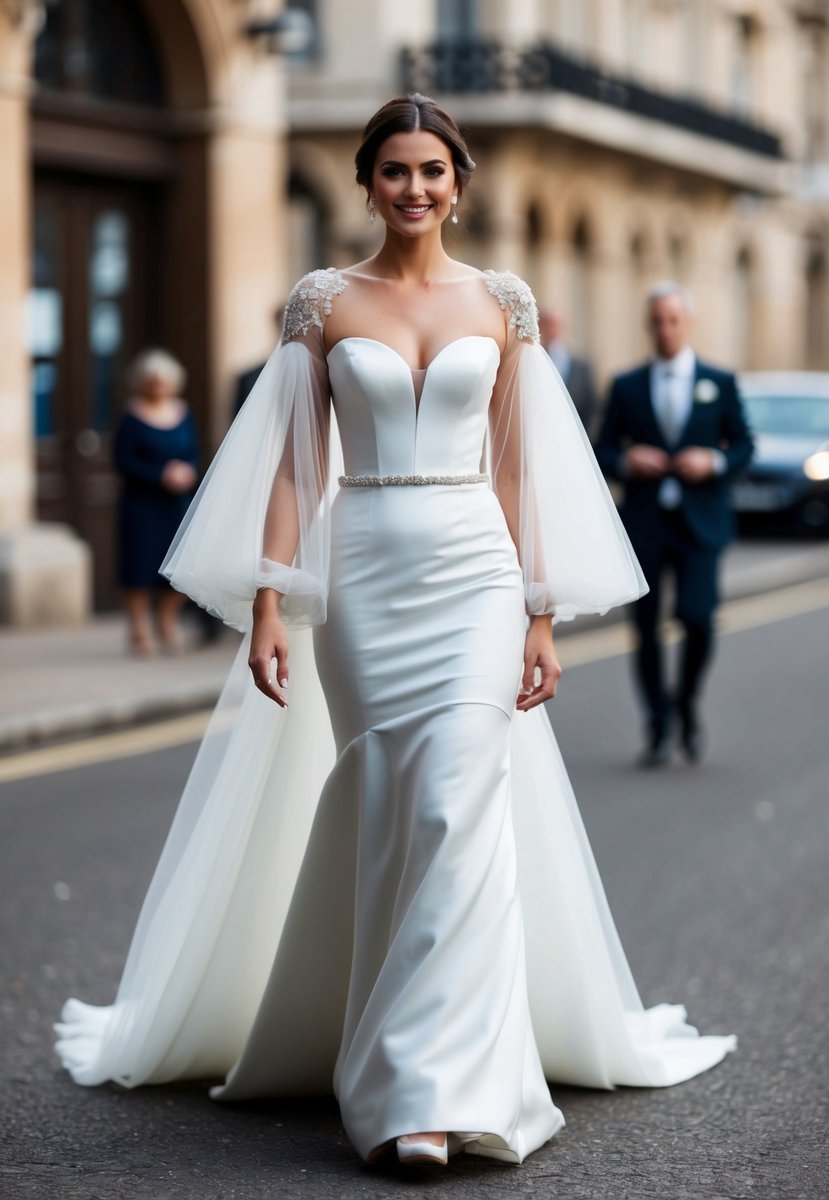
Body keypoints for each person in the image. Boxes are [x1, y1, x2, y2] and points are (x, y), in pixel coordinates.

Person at [55, 97, 735, 1169]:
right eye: (393, 171)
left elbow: (515, 467)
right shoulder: (321, 302)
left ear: (457, 184)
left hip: (475, 571)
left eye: (432, 170)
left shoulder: (502, 302)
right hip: (364, 568)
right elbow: (289, 464)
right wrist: (269, 603)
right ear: (367, 184)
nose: (413, 188)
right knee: (393, 801)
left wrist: (541, 615)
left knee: (461, 800)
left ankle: (431, 1088)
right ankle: (387, 1055)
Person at [593, 283, 754, 766]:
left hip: (700, 523)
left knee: (698, 619)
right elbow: (600, 450)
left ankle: (685, 703)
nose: (665, 329)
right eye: (657, 321)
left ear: (688, 323)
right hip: (643, 524)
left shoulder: (719, 382)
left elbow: (744, 446)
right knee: (645, 628)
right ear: (650, 325)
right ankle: (658, 724)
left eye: (673, 320)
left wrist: (713, 461)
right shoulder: (626, 385)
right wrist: (627, 459)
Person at [113, 350, 199, 656]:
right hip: (141, 504)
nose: (157, 387)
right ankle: (138, 629)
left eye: (162, 382)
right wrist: (160, 474)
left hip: (175, 504)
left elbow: (192, 451)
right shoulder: (132, 415)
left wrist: (187, 471)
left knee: (177, 567)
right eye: (152, 382)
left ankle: (166, 621)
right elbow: (122, 461)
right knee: (140, 566)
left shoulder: (183, 412)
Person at [539, 306, 598, 433]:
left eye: (555, 325)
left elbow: (591, 405)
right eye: (547, 324)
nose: (552, 330)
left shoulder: (580, 366)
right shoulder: (534, 359)